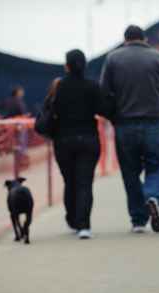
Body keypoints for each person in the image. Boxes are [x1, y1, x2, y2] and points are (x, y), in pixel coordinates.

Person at [100, 25, 159, 233]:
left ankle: (138, 220)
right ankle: (153, 196)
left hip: (124, 125)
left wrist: (114, 117)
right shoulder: (158, 58)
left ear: (125, 39)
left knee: (130, 171)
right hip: (153, 123)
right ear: (144, 38)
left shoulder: (113, 59)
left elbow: (104, 95)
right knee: (157, 166)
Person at [52, 49, 111, 240]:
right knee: (85, 182)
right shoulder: (92, 86)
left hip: (64, 141)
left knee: (70, 182)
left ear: (66, 66)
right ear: (85, 65)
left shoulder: (59, 88)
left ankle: (72, 219)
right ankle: (84, 226)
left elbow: (51, 111)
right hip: (88, 140)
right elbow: (104, 109)